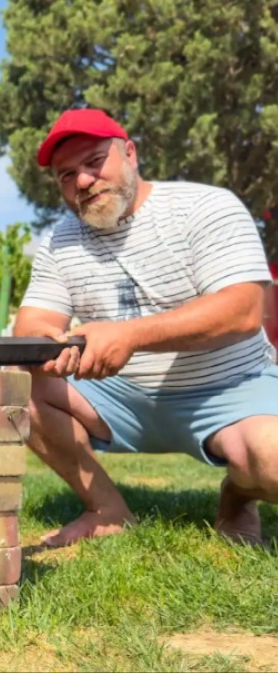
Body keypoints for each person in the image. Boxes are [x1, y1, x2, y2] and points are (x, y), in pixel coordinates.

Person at [15, 108, 278, 547]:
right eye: (66, 175)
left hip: (229, 392)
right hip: (119, 399)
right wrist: (45, 342)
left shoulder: (204, 206)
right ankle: (106, 510)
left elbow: (245, 310)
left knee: (272, 464)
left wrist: (129, 335)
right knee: (15, 381)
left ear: (130, 154)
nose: (82, 181)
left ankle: (239, 493)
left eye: (94, 162)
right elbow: (33, 324)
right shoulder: (60, 240)